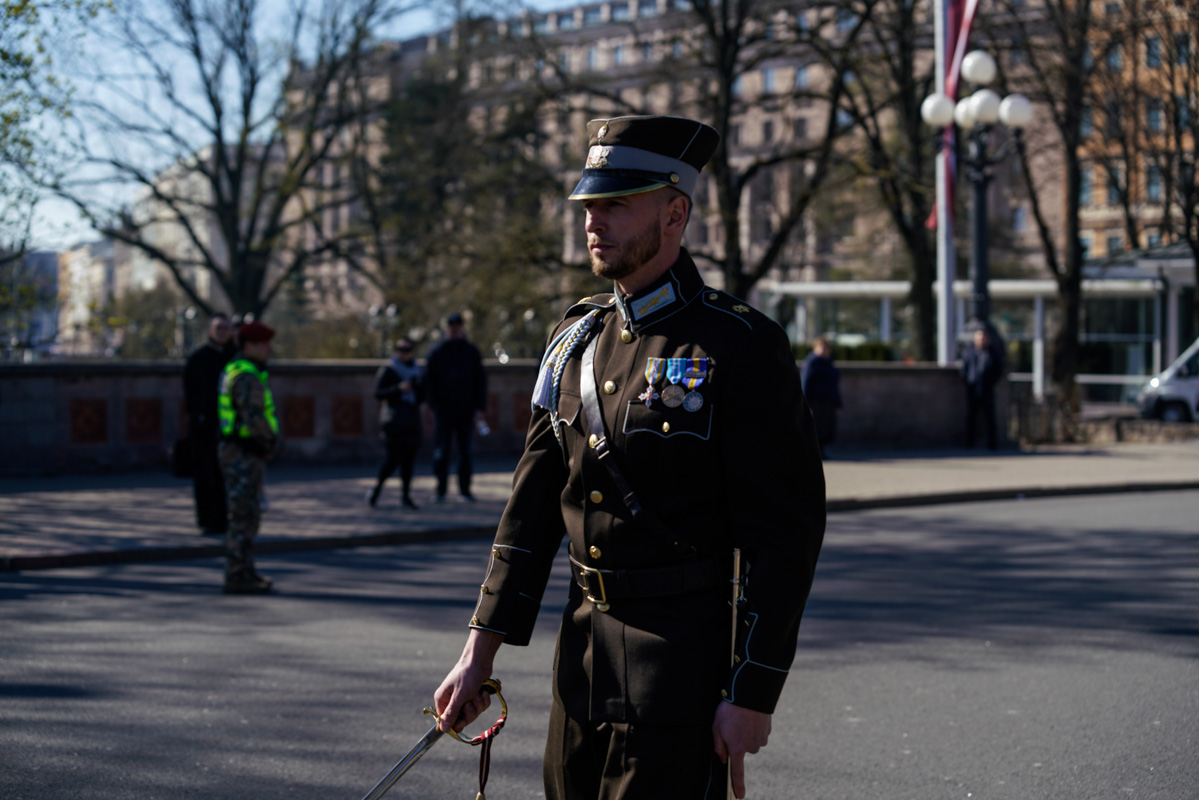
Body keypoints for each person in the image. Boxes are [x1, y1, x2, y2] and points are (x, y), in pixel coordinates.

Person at [432, 115, 826, 800]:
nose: (594, 221)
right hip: (580, 654)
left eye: (616, 204)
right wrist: (478, 652)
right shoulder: (574, 337)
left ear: (674, 212)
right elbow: (530, 509)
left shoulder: (737, 344)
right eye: (589, 205)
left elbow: (784, 534)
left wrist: (753, 689)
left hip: (682, 660)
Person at [217, 321, 279, 594]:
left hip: (238, 449)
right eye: (264, 344)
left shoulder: (237, 369)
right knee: (244, 514)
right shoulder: (246, 375)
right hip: (243, 450)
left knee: (244, 513)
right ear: (250, 345)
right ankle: (238, 572)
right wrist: (269, 442)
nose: (269, 349)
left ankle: (244, 569)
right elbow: (254, 417)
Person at [182, 313, 236, 535]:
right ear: (210, 331)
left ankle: (224, 518)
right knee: (204, 474)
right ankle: (207, 520)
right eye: (218, 328)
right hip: (204, 426)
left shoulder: (235, 358)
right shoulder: (198, 359)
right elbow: (190, 393)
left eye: (226, 328)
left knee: (227, 474)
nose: (222, 332)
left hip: (228, 426)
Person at [424, 312, 487, 502]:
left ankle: (465, 490)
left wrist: (479, 407)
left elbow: (480, 382)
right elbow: (428, 381)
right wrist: (433, 405)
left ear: (462, 329)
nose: (454, 330)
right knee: (441, 451)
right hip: (443, 410)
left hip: (465, 410)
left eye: (457, 327)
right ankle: (440, 490)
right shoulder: (437, 352)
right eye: (452, 328)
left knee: (465, 452)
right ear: (446, 329)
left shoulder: (471, 352)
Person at [367, 337, 424, 509]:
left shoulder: (417, 371)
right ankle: (376, 491)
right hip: (393, 422)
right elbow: (378, 393)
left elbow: (424, 396)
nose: (402, 352)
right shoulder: (389, 370)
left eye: (406, 349)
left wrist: (417, 388)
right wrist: (398, 388)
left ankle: (405, 496)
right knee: (392, 460)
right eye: (400, 348)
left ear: (412, 352)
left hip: (412, 422)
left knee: (409, 461)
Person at [960, 327, 1004, 450]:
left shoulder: (993, 353)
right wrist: (969, 382)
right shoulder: (969, 354)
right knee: (971, 417)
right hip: (973, 390)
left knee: (990, 417)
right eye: (980, 337)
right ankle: (969, 443)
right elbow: (964, 371)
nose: (982, 340)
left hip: (987, 389)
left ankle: (992, 444)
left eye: (984, 337)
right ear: (975, 340)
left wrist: (991, 382)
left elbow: (998, 370)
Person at [800, 336, 842, 453]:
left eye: (826, 347)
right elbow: (805, 382)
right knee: (816, 429)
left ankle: (821, 451)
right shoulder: (812, 362)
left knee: (826, 429)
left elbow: (834, 385)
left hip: (828, 401)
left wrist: (838, 402)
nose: (824, 349)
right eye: (822, 346)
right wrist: (805, 403)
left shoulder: (828, 363)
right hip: (816, 402)